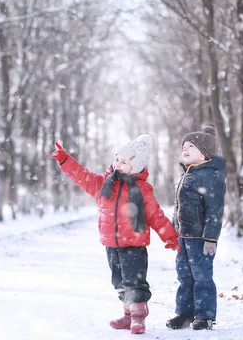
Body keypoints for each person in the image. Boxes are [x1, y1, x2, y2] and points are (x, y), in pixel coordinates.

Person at [51, 135, 180, 335]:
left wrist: (170, 236)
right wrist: (65, 160)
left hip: (134, 244)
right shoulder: (104, 182)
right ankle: (128, 315)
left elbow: (156, 215)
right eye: (117, 159)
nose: (117, 164)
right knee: (118, 281)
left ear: (135, 167)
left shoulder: (142, 188)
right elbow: (82, 176)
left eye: (124, 162)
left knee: (134, 281)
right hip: (111, 243)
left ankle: (138, 317)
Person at [166, 126, 227, 331]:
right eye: (184, 146)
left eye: (191, 146)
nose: (185, 149)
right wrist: (174, 232)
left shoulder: (209, 176)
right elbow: (179, 208)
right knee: (184, 275)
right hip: (183, 237)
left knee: (202, 276)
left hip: (201, 238)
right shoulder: (188, 174)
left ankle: (204, 316)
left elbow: (215, 209)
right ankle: (184, 313)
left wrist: (211, 237)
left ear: (204, 153)